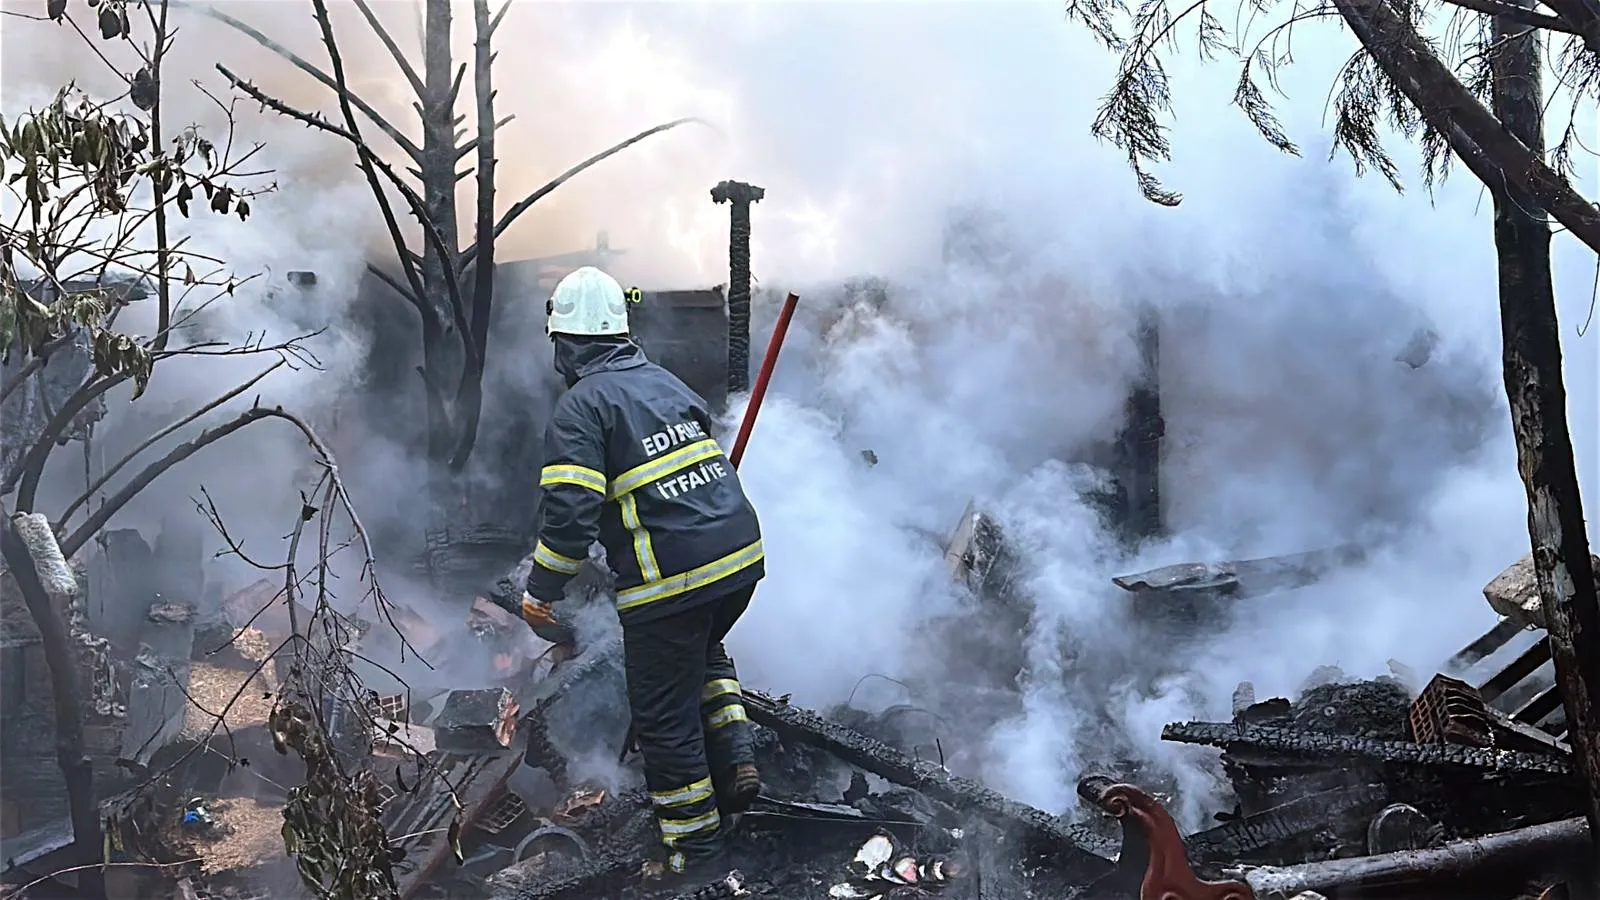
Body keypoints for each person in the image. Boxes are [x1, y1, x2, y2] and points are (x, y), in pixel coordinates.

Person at [510, 265, 765, 879]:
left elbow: (570, 517)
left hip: (672, 580)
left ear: (565, 343)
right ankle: (737, 760)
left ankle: (696, 857)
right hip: (740, 558)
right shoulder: (664, 382)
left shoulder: (580, 407)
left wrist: (540, 592)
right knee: (702, 655)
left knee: (664, 720)